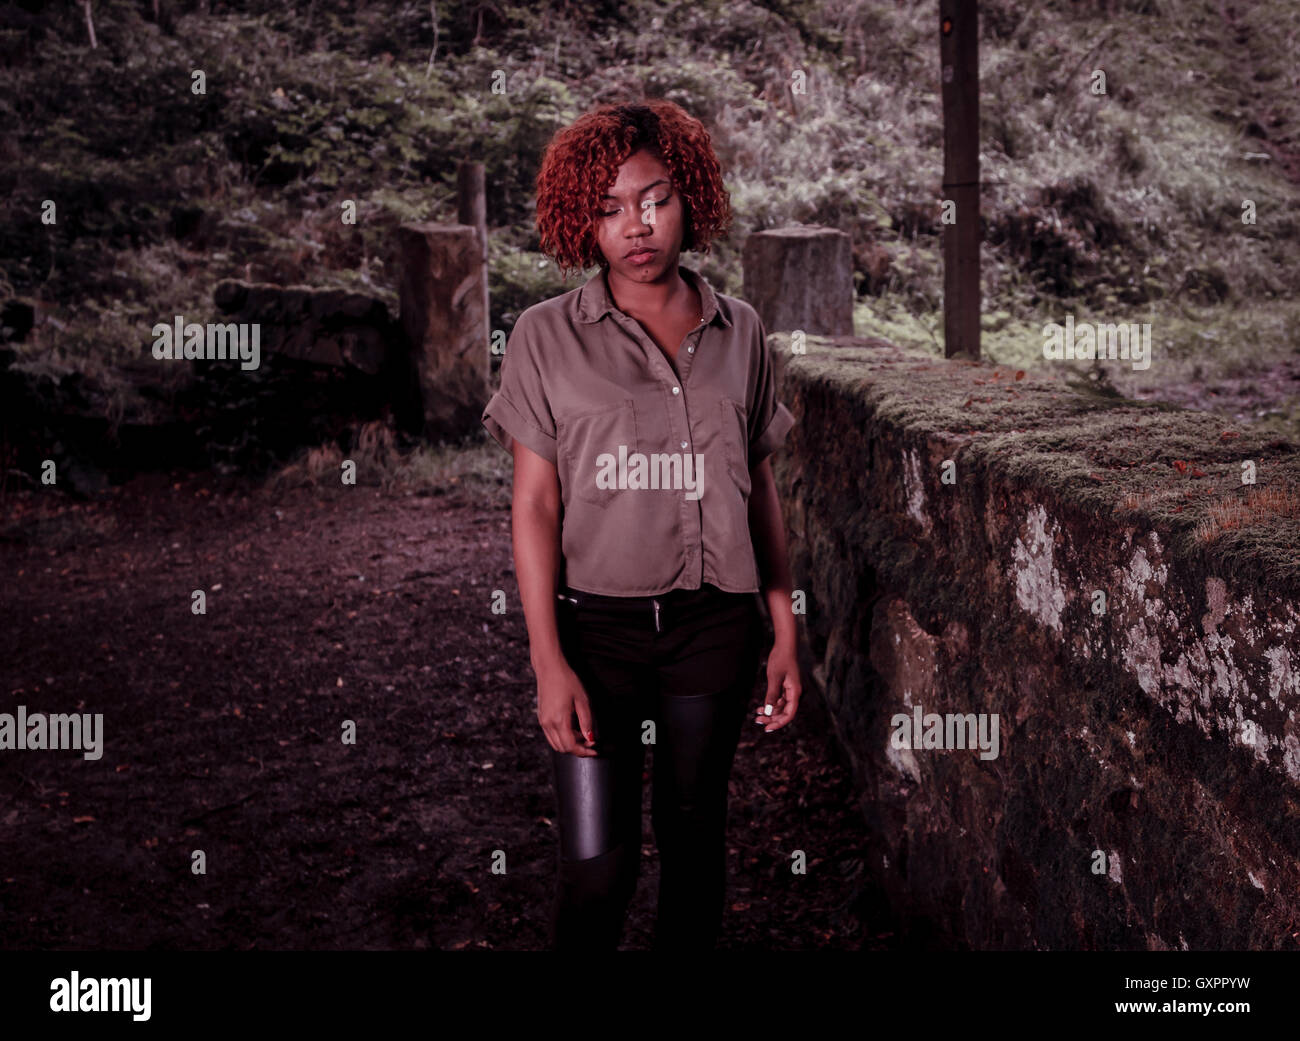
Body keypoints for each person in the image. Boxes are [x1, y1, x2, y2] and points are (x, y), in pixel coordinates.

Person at [480, 98, 801, 950]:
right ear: (581, 220)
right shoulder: (545, 338)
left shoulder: (744, 334)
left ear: (689, 198)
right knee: (597, 864)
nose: (638, 225)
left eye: (654, 198)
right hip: (597, 635)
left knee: (696, 852)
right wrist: (548, 662)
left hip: (713, 629)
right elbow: (535, 505)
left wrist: (782, 629)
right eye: (611, 207)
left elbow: (757, 485)